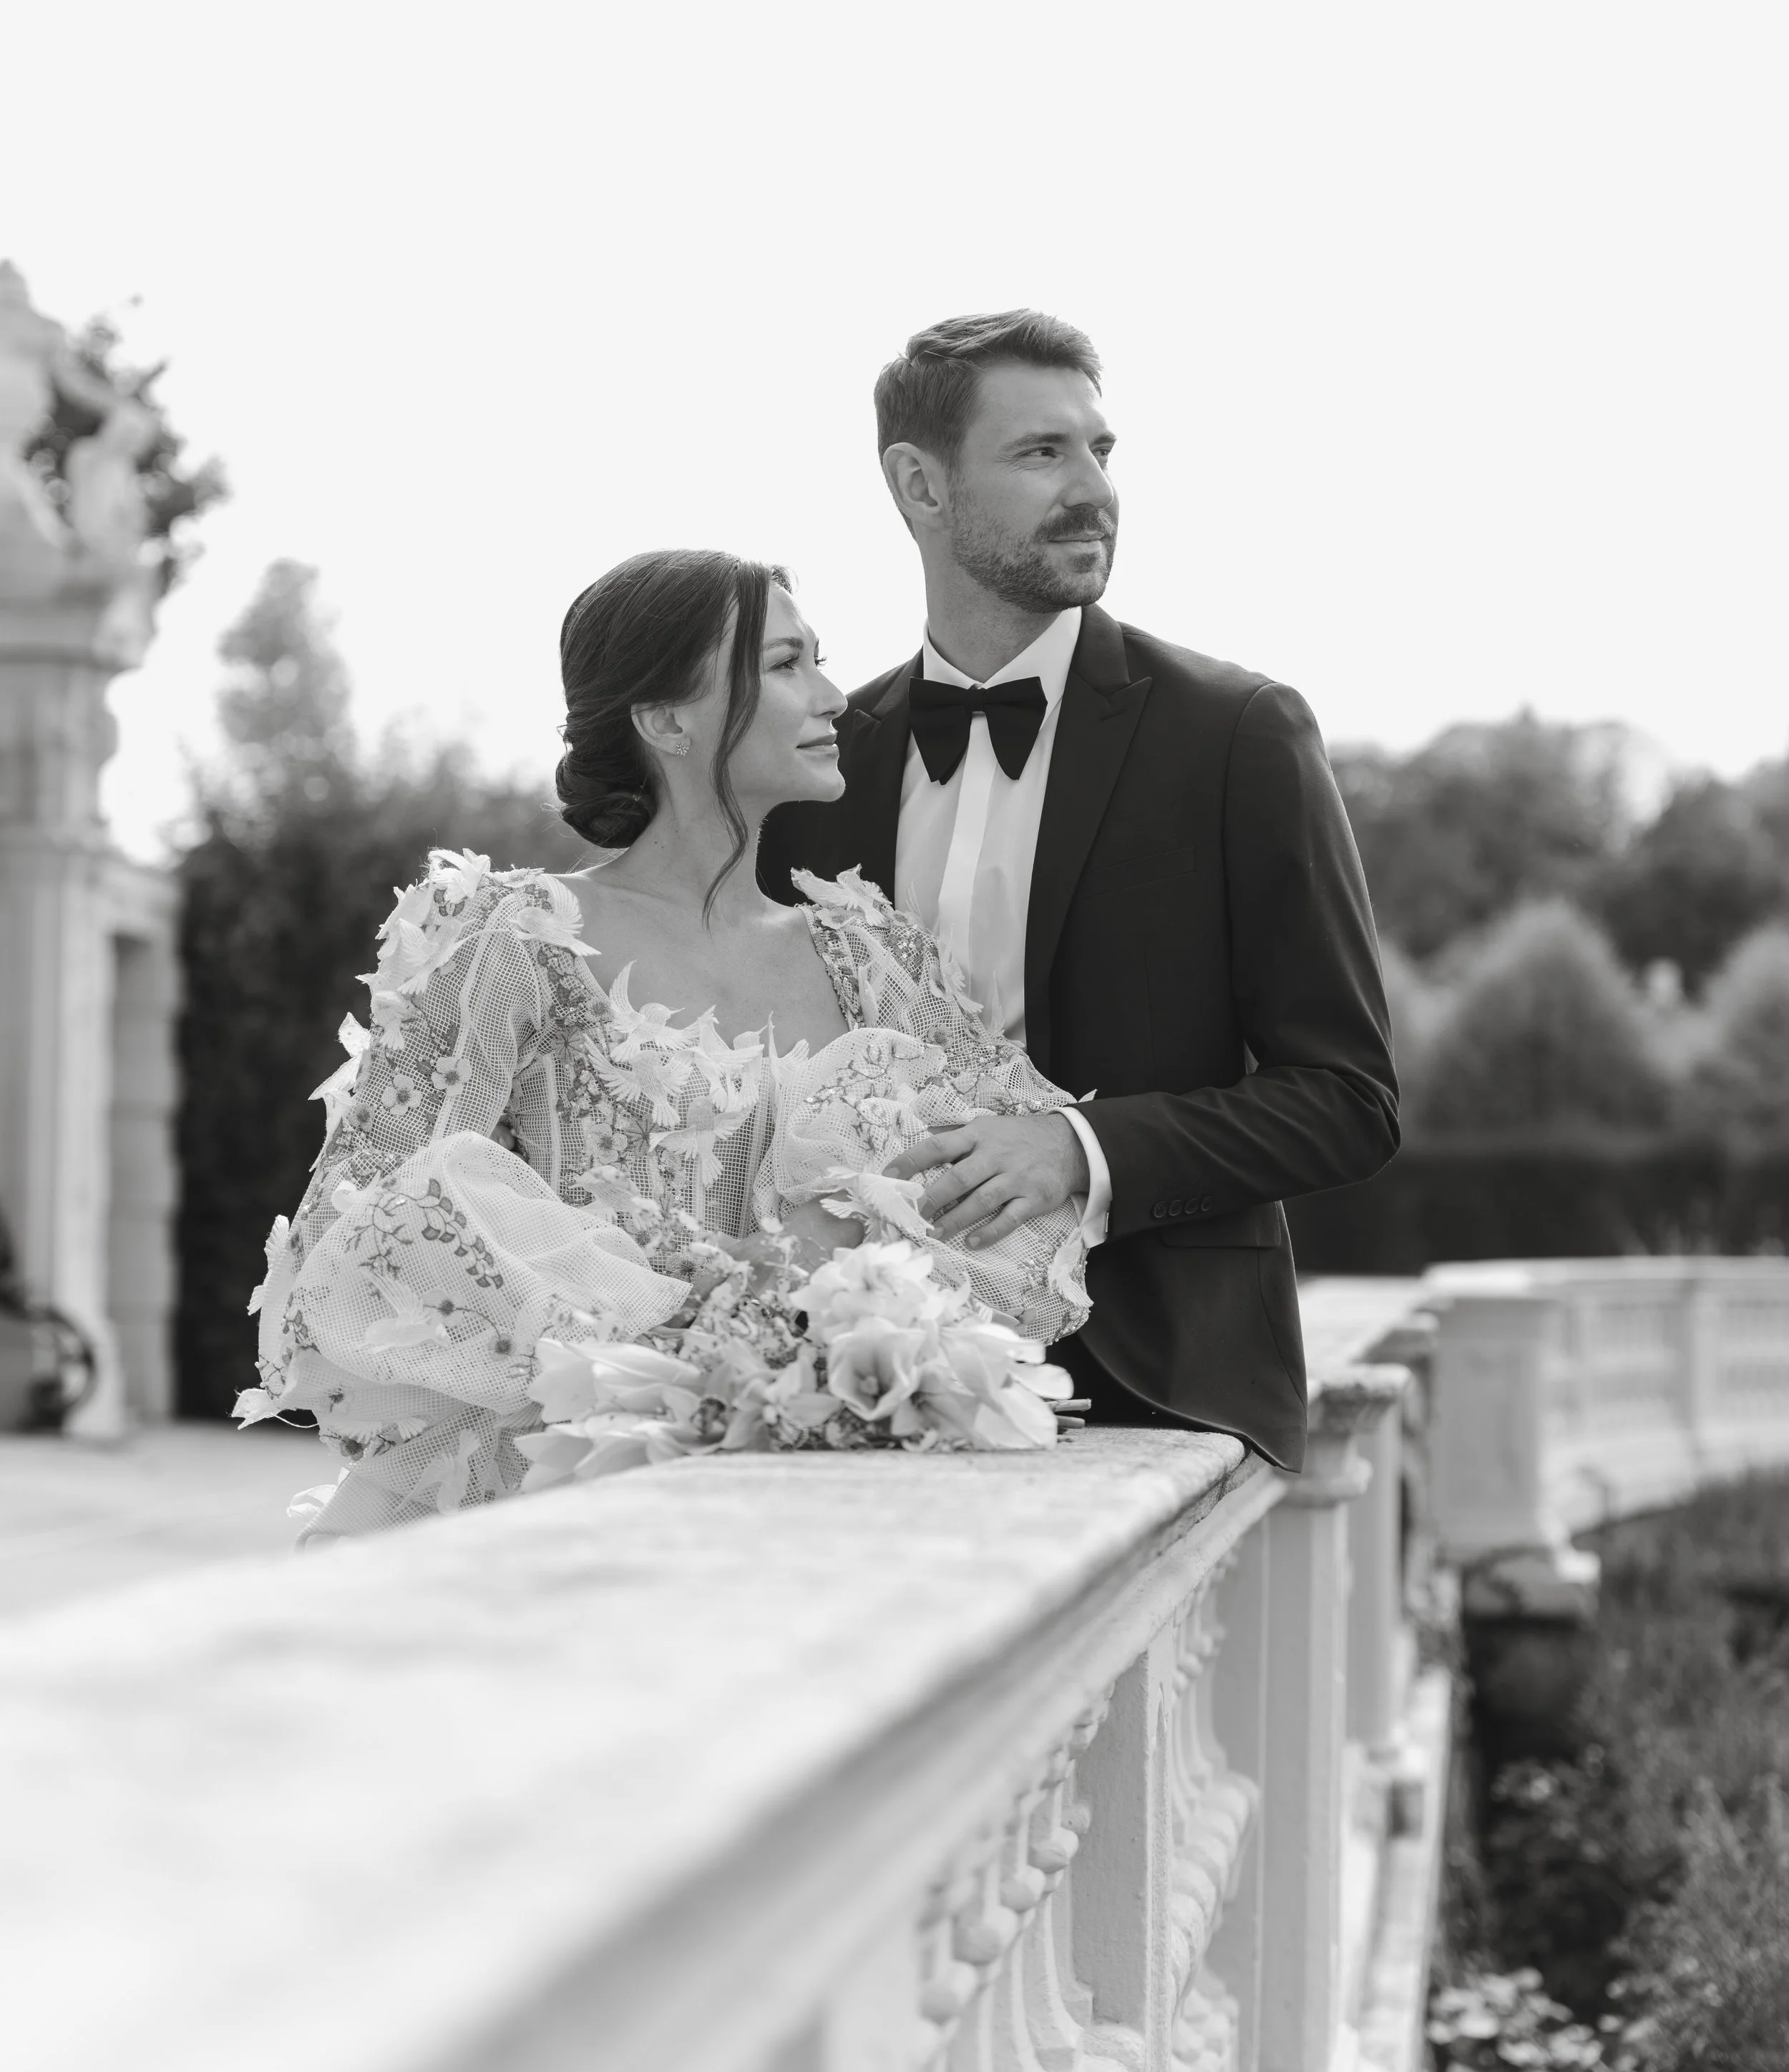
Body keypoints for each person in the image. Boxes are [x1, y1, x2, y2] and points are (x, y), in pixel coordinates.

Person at [243, 548, 1093, 1539]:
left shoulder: (873, 954)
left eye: (821, 659)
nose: (832, 696)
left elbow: (1023, 1168)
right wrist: (645, 1314)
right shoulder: (515, 938)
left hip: (814, 1503)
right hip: (556, 1500)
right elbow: (370, 1220)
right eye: (785, 664)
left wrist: (857, 1319)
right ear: (666, 718)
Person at [760, 311, 1399, 1472]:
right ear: (920, 484)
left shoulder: (1238, 735)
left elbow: (1349, 1097)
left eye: (1102, 450)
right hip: (844, 1392)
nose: (1094, 488)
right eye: (1042, 452)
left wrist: (1081, 1146)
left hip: (1154, 1389)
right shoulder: (818, 760)